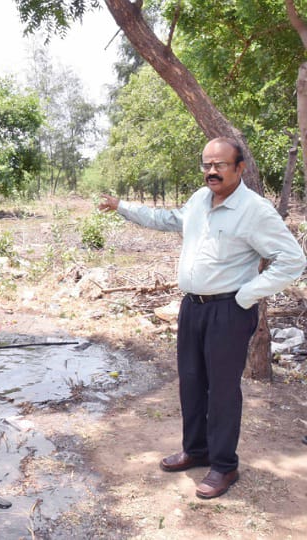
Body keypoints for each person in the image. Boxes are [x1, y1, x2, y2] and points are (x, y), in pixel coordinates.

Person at [99, 137, 306, 499]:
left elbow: (293, 260)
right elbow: (168, 219)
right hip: (192, 307)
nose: (212, 171)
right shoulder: (199, 200)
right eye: (207, 164)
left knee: (223, 390)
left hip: (229, 310)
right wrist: (122, 207)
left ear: (240, 168)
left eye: (220, 165)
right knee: (192, 382)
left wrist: (247, 294)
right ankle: (196, 450)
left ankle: (224, 465)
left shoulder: (254, 210)